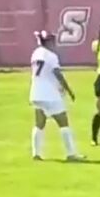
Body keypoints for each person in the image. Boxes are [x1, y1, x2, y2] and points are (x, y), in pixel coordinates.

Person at [29, 30, 85, 161]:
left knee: (39, 124)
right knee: (63, 123)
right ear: (47, 41)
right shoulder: (51, 56)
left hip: (36, 92)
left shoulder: (36, 53)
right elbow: (57, 73)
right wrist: (68, 89)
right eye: (51, 40)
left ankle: (36, 153)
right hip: (49, 94)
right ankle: (71, 154)